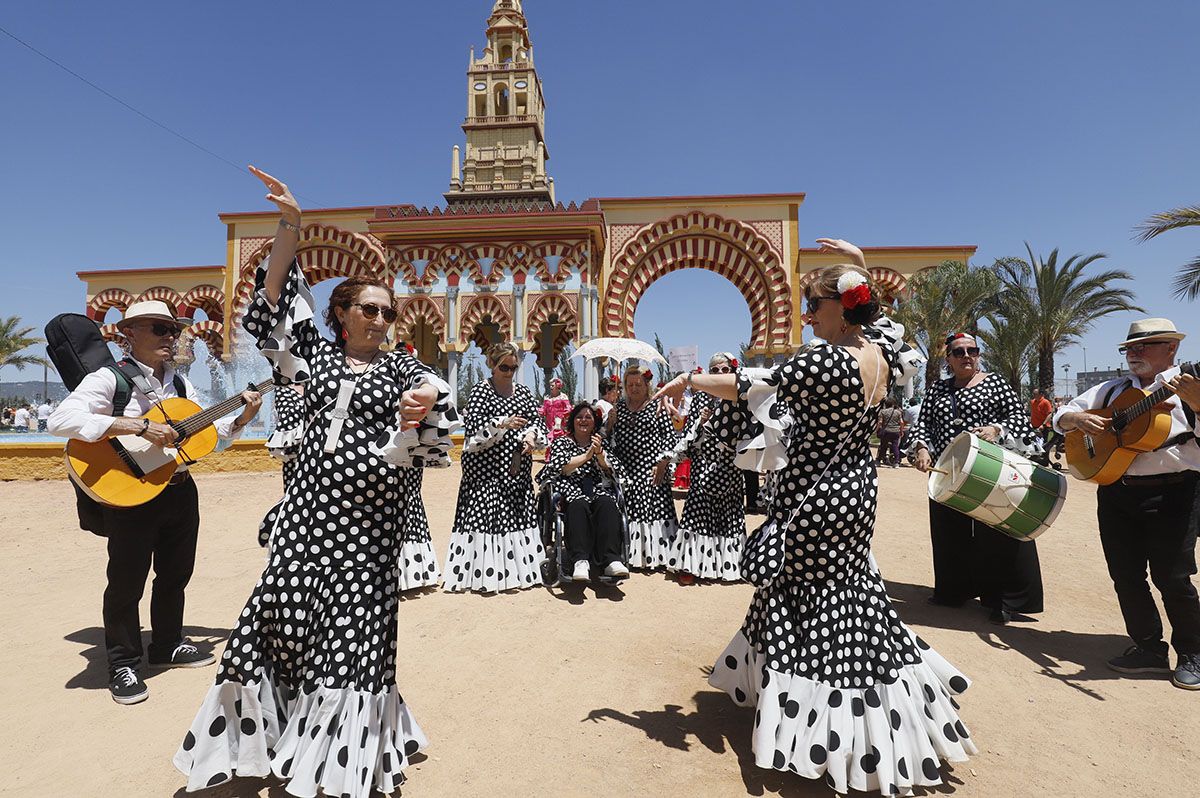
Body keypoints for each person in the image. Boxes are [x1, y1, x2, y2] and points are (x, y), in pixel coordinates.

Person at [174, 166, 458, 795]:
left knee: (353, 647)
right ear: (341, 313)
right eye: (370, 309)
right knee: (278, 625)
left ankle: (342, 768)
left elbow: (436, 444)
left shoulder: (408, 371)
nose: (382, 320)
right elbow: (270, 302)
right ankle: (275, 741)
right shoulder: (313, 358)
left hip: (368, 535)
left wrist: (421, 417)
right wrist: (290, 227)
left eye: (389, 312)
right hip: (304, 522)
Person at [655, 243, 975, 794]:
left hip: (815, 495)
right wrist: (853, 258)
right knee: (848, 594)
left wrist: (691, 382)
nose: (807, 313)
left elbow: (753, 386)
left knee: (804, 598)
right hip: (855, 492)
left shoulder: (824, 361)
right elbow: (882, 322)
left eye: (814, 304)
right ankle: (873, 711)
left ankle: (824, 726)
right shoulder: (880, 353)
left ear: (842, 307)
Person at [48, 300, 262, 705]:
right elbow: (60, 420)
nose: (170, 337)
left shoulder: (181, 386)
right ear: (130, 334)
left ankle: (166, 644)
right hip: (133, 493)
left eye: (173, 330)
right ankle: (123, 662)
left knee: (175, 573)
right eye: (160, 329)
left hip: (179, 488)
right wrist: (135, 425)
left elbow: (208, 437)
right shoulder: (109, 378)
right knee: (127, 581)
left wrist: (240, 420)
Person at [1054, 317, 1200, 690]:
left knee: (1173, 577)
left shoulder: (1191, 388)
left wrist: (1198, 405)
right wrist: (1077, 418)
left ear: (1172, 349)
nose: (1134, 353)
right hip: (1118, 492)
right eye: (1130, 347)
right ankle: (1148, 648)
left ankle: (1193, 653)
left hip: (1175, 492)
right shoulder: (1111, 390)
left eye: (1144, 346)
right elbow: (1061, 416)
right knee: (1125, 575)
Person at [909, 332, 1044, 624]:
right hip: (949, 470)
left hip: (990, 470)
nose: (966, 356)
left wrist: (996, 429)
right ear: (948, 359)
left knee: (995, 531)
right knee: (949, 533)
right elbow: (924, 424)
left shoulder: (994, 383)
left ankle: (1003, 600)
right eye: (959, 352)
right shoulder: (937, 389)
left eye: (972, 350)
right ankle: (953, 592)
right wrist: (921, 447)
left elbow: (1018, 418)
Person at [444, 341, 548, 593]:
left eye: (513, 367)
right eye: (504, 367)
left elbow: (538, 424)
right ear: (492, 365)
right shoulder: (481, 391)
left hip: (515, 472)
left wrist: (530, 437)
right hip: (485, 474)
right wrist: (503, 423)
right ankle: (485, 575)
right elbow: (473, 435)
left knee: (516, 520)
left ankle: (517, 573)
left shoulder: (524, 392)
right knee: (486, 523)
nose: (509, 372)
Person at [664, 352, 746, 585]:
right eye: (716, 371)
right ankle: (691, 564)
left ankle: (727, 565)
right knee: (697, 513)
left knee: (729, 514)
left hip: (730, 465)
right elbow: (689, 437)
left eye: (724, 370)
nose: (720, 374)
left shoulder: (740, 398)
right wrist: (702, 424)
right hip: (702, 466)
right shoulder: (701, 399)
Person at [537, 401, 629, 581]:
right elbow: (561, 467)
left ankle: (611, 560)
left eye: (588, 417)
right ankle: (580, 560)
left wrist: (600, 455)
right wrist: (587, 456)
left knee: (607, 503)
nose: (584, 420)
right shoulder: (562, 442)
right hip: (571, 488)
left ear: (595, 422)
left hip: (596, 487)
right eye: (579, 417)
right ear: (572, 421)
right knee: (578, 505)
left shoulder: (601, 443)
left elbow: (615, 471)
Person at [607, 365, 679, 570]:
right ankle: (630, 554)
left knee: (652, 511)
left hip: (651, 468)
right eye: (630, 384)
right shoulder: (618, 407)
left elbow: (670, 438)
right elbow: (607, 438)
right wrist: (610, 423)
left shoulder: (657, 405)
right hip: (625, 469)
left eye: (638, 384)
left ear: (647, 385)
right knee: (628, 511)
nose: (634, 388)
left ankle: (655, 555)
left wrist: (663, 462)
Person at [538, 377, 573, 447]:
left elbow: (568, 408)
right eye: (550, 385)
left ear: (558, 386)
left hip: (559, 424)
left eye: (552, 385)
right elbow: (544, 409)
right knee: (548, 442)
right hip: (549, 424)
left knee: (559, 441)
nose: (550, 387)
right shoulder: (547, 397)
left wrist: (563, 416)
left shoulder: (563, 397)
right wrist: (539, 411)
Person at [875, 396, 904, 467]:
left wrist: (876, 430)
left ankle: (879, 460)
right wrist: (901, 430)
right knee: (895, 446)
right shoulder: (898, 412)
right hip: (895, 431)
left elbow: (880, 422)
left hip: (886, 431)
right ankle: (896, 462)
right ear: (893, 404)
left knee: (883, 446)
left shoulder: (883, 411)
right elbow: (901, 422)